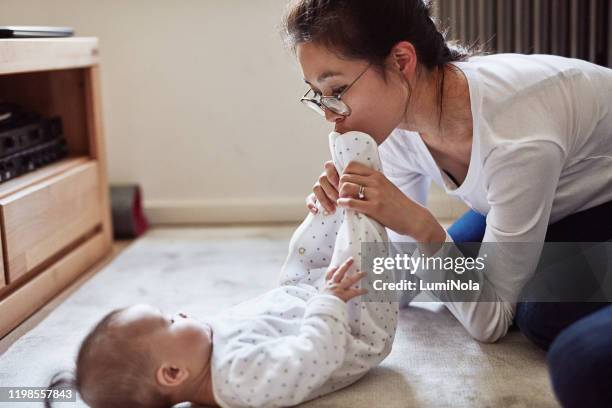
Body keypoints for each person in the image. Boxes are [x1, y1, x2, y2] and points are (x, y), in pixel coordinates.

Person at [281, 0, 612, 406]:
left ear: (402, 60)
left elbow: (488, 323)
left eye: (337, 90)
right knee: (455, 266)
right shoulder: (397, 124)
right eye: (318, 96)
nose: (331, 117)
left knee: (537, 310)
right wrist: (345, 217)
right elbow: (398, 288)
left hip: (601, 198)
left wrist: (421, 226)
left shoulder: (515, 137)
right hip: (566, 198)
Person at [45, 131, 398, 408]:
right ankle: (359, 174)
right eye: (170, 321)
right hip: (353, 329)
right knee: (356, 244)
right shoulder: (242, 380)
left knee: (306, 246)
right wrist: (330, 300)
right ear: (172, 373)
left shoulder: (204, 353)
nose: (181, 313)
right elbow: (313, 357)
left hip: (305, 296)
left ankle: (334, 198)